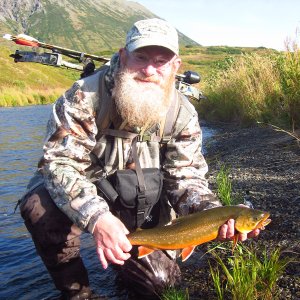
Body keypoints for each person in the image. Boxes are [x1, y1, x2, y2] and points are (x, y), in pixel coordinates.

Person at [19, 18, 260, 300]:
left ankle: (126, 257)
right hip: (87, 195)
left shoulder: (182, 114)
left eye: (161, 61)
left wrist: (216, 212)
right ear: (123, 56)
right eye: (141, 57)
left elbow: (186, 179)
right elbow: (59, 164)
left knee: (160, 285)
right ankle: (77, 292)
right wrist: (98, 219)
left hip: (139, 204)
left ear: (175, 66)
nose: (149, 70)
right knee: (38, 206)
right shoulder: (83, 96)